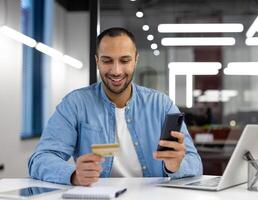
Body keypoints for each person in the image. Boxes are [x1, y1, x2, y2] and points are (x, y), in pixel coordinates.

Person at [28, 27, 203, 186]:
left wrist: (174, 166)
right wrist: (73, 174)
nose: (116, 71)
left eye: (124, 60)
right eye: (107, 61)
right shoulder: (76, 104)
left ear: (136, 60)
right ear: (97, 61)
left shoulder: (161, 105)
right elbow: (40, 159)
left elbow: (194, 162)